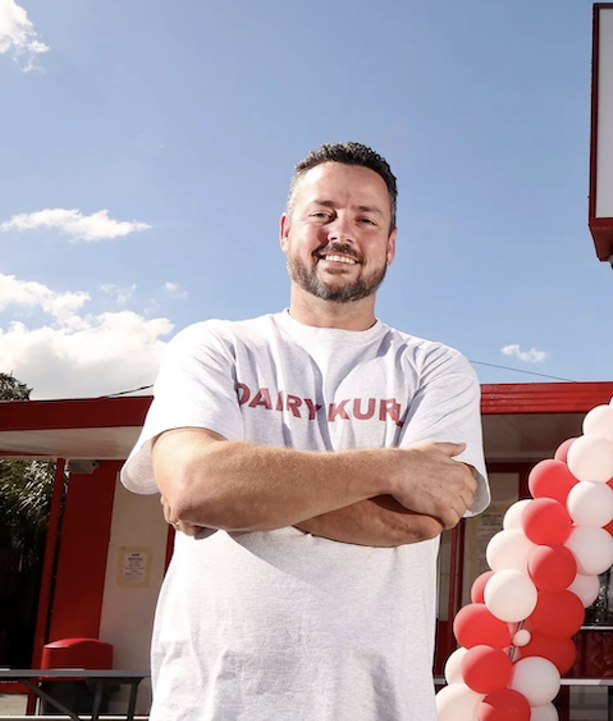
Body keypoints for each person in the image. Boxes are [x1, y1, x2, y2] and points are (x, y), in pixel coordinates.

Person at [121, 141, 489, 721]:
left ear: (390, 246)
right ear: (287, 229)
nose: (342, 231)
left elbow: (420, 519)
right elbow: (193, 486)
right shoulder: (216, 346)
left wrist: (241, 494)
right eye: (323, 213)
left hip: (376, 702)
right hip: (214, 698)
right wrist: (391, 468)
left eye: (367, 219)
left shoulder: (435, 367)